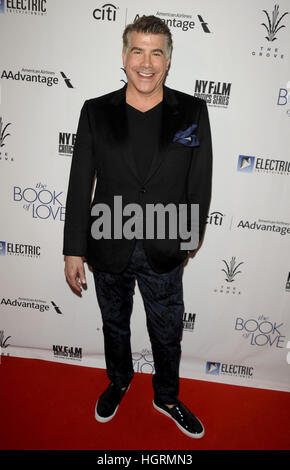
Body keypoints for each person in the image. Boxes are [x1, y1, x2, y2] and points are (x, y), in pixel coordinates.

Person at [63, 15, 212, 439]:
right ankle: (119, 379)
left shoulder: (192, 111)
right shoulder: (95, 111)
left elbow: (199, 182)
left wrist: (187, 242)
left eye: (156, 53)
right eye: (137, 51)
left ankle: (166, 396)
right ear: (124, 56)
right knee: (114, 324)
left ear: (168, 60)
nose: (146, 62)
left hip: (166, 247)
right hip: (107, 244)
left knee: (167, 332)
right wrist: (74, 249)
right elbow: (79, 184)